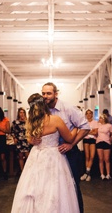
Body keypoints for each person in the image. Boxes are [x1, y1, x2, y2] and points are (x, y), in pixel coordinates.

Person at [10, 93, 78, 212]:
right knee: (54, 188)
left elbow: (30, 140)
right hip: (53, 156)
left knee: (34, 186)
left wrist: (32, 140)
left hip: (36, 155)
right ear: (44, 105)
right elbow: (70, 139)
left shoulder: (31, 122)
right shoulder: (55, 120)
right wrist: (76, 127)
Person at [38, 83, 90, 212]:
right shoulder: (42, 110)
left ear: (56, 94)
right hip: (51, 155)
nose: (45, 96)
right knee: (52, 187)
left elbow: (85, 127)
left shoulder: (68, 108)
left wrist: (71, 144)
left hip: (70, 153)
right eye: (43, 93)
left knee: (72, 186)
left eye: (49, 93)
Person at [80, 110, 98, 181]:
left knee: (92, 156)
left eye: (90, 113)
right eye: (87, 114)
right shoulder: (84, 122)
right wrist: (91, 131)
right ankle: (87, 174)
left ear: (92, 114)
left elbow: (95, 132)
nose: (88, 115)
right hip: (86, 139)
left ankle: (87, 173)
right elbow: (83, 132)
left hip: (92, 140)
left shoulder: (95, 122)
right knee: (87, 156)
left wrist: (88, 131)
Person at [12, 108, 31, 176]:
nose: (22, 114)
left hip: (26, 140)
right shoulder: (15, 122)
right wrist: (14, 138)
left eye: (23, 112)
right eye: (20, 112)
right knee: (20, 156)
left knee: (27, 156)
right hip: (19, 140)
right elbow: (13, 131)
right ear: (18, 113)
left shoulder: (28, 121)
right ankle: (22, 170)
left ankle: (28, 169)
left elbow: (31, 130)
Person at [95, 115, 112, 180]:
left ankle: (108, 174)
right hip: (99, 142)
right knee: (101, 159)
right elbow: (95, 132)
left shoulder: (109, 125)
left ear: (104, 119)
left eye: (100, 118)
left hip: (106, 142)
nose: (99, 119)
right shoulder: (98, 125)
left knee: (107, 159)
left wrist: (111, 139)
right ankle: (102, 174)